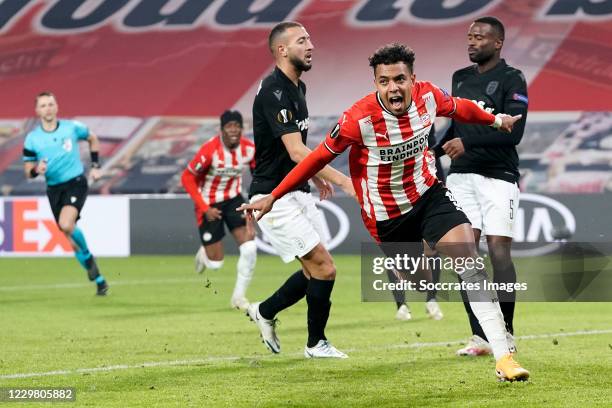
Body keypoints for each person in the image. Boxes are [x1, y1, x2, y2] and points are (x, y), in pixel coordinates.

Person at [240, 43, 530, 381]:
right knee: (421, 279)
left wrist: (495, 120)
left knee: (470, 264)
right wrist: (274, 195)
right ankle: (427, 252)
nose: (393, 87)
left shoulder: (429, 96)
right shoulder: (356, 119)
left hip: (429, 195)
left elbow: (461, 108)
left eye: (399, 79)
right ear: (376, 83)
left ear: (413, 79)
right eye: (384, 81)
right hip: (386, 217)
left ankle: (504, 357)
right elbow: (317, 157)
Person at [245, 21, 355, 359]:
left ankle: (264, 310)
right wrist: (342, 179)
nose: (311, 45)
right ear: (282, 50)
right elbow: (296, 150)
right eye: (302, 40)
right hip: (272, 196)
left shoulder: (298, 88)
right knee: (324, 268)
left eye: (310, 39)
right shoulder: (274, 91)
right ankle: (315, 344)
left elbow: (297, 151)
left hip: (296, 189)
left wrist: (316, 176)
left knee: (314, 273)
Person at [434, 16, 528, 356]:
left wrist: (467, 144)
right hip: (461, 177)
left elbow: (514, 132)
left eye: (479, 37)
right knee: (465, 256)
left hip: (498, 177)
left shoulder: (512, 78)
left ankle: (507, 330)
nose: (471, 42)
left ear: (497, 42)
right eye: (469, 36)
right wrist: (430, 149)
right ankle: (481, 336)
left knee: (499, 251)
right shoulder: (460, 78)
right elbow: (456, 129)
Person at [22, 91, 108, 296]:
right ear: (37, 111)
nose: (48, 108)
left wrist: (96, 165)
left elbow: (92, 138)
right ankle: (99, 280)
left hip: (76, 182)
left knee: (66, 224)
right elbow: (28, 171)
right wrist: (36, 170)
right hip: (54, 189)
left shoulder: (72, 128)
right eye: (43, 105)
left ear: (57, 106)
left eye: (51, 104)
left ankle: (89, 258)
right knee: (70, 239)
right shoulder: (33, 139)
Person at [181, 110, 257, 311]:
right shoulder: (209, 150)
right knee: (216, 263)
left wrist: (254, 204)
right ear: (221, 130)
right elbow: (187, 178)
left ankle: (239, 298)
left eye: (237, 126)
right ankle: (205, 254)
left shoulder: (249, 149)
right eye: (229, 126)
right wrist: (205, 208)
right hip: (209, 203)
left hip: (234, 200)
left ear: (242, 129)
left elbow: (258, 174)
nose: (234, 130)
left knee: (249, 248)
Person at [388, 126, 444, 321]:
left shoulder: (425, 109)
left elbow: (434, 148)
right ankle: (401, 305)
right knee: (396, 250)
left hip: (427, 186)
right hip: (396, 191)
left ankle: (431, 299)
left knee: (431, 248)